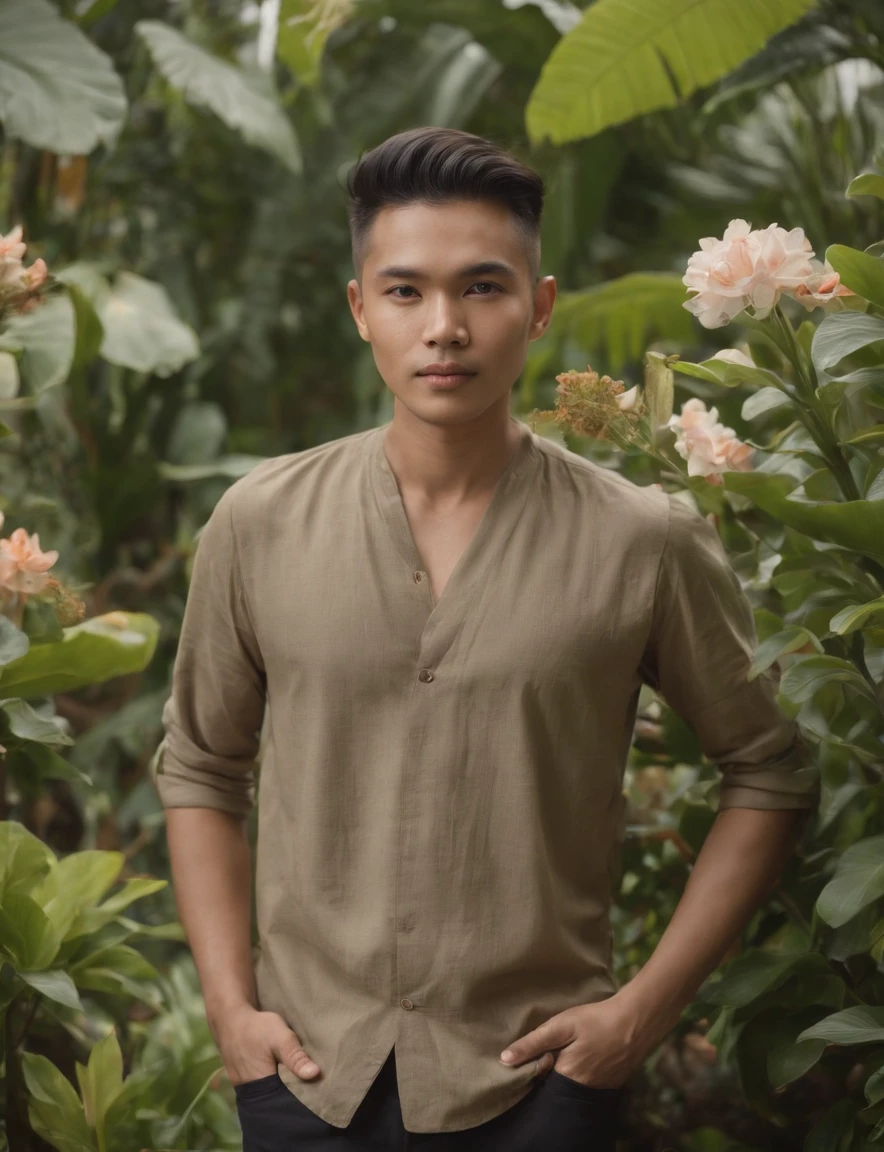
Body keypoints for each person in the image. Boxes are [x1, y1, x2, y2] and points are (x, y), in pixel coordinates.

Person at [152, 126, 821, 1151]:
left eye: (481, 288)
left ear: (537, 306)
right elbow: (200, 764)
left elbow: (766, 771)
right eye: (406, 291)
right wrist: (229, 1014)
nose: (443, 329)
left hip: (537, 1088)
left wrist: (635, 1016)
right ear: (359, 310)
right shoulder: (260, 522)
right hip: (305, 1083)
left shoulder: (639, 541)